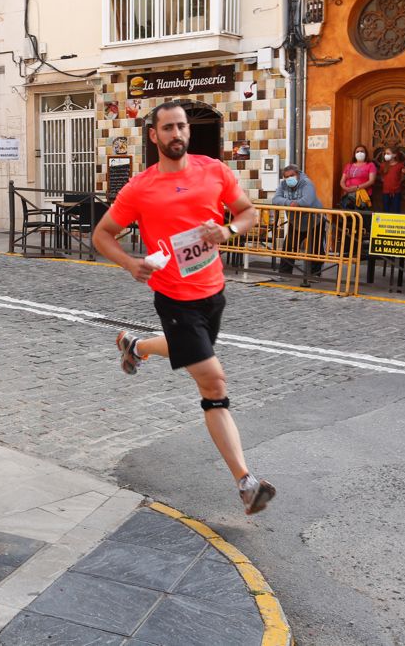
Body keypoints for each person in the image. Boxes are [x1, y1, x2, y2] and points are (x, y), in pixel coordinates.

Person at [92, 101, 275, 516]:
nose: (177, 134)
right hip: (174, 297)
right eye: (168, 128)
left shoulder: (215, 171)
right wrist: (129, 263)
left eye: (182, 126)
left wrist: (228, 229)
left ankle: (136, 347)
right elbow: (102, 234)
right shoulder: (140, 187)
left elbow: (248, 213)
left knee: (187, 350)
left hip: (213, 293)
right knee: (213, 381)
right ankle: (246, 483)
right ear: (153, 135)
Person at [271, 165, 324, 276]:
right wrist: (289, 203)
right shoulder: (283, 185)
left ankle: (315, 274)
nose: (289, 178)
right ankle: (284, 274)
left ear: (298, 174)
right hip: (295, 221)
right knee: (288, 247)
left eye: (292, 175)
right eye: (286, 177)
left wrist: (297, 203)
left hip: (314, 220)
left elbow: (307, 200)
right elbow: (275, 199)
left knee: (316, 248)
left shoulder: (306, 183)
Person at [339, 144, 377, 209]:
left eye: (362, 151)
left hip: (363, 195)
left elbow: (371, 181)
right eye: (357, 151)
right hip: (348, 195)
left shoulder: (370, 165)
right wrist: (345, 188)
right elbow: (342, 180)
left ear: (366, 154)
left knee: (360, 214)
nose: (360, 153)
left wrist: (357, 187)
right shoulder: (349, 165)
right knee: (348, 214)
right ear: (354, 154)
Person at [378, 147, 405, 213]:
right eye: (385, 153)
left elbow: (402, 177)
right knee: (386, 210)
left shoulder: (400, 165)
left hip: (396, 192)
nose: (386, 155)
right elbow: (381, 174)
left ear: (394, 155)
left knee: (396, 210)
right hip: (385, 192)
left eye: (388, 153)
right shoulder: (383, 165)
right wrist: (383, 180)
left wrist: (397, 184)